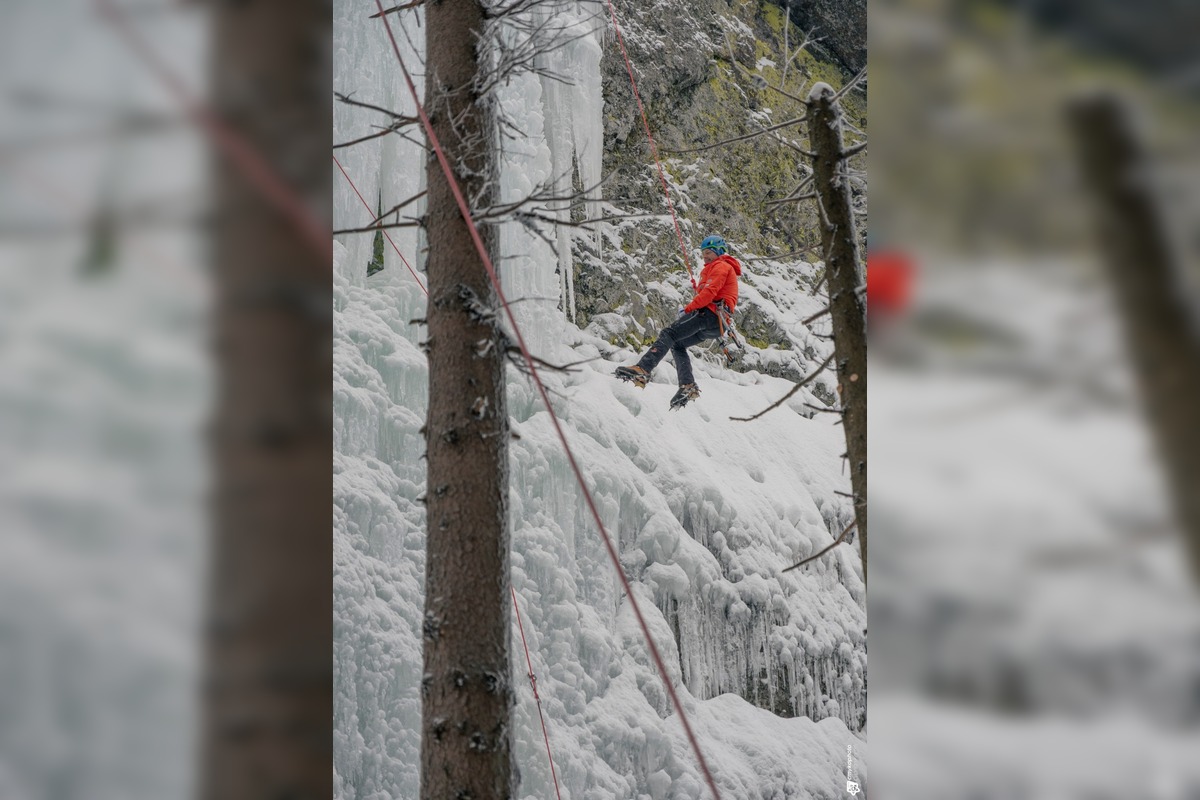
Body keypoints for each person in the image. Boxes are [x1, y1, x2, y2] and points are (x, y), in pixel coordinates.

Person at [615, 234, 742, 409]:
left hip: (710, 314)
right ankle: (687, 386)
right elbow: (711, 291)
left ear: (719, 251)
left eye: (709, 252)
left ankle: (643, 369)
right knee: (677, 344)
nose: (705, 256)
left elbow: (710, 293)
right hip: (717, 326)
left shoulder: (721, 265)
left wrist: (689, 309)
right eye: (703, 253)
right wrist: (699, 289)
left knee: (669, 333)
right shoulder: (719, 268)